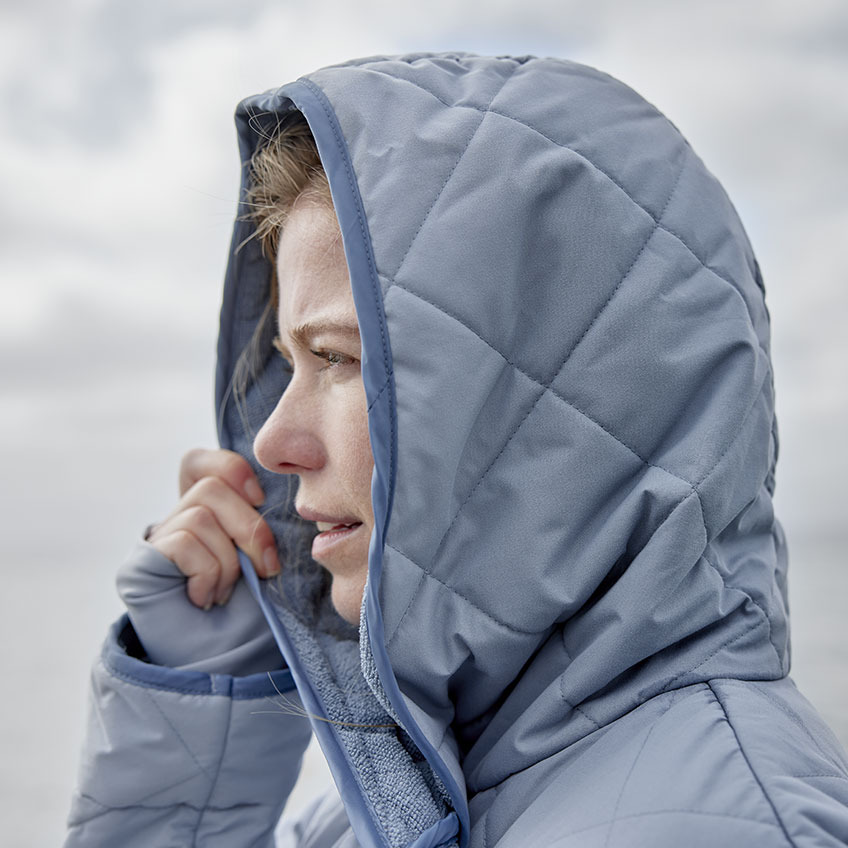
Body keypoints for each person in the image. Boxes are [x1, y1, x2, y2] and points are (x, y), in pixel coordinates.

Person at [64, 53, 848, 847]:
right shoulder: (405, 793)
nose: (270, 444)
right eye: (287, 362)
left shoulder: (734, 831)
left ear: (540, 407)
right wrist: (203, 709)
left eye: (336, 357)